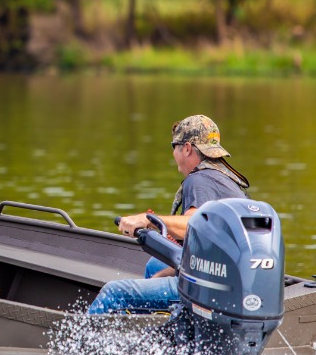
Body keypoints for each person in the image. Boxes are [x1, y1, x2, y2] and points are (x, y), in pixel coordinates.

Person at [87, 114, 249, 314]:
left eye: (174, 146)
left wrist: (146, 220)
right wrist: (166, 274)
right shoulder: (228, 181)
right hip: (232, 283)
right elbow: (206, 246)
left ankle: (81, 345)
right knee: (156, 266)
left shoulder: (200, 180)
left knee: (113, 293)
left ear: (187, 148)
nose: (173, 154)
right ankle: (150, 335)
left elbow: (194, 224)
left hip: (208, 290)